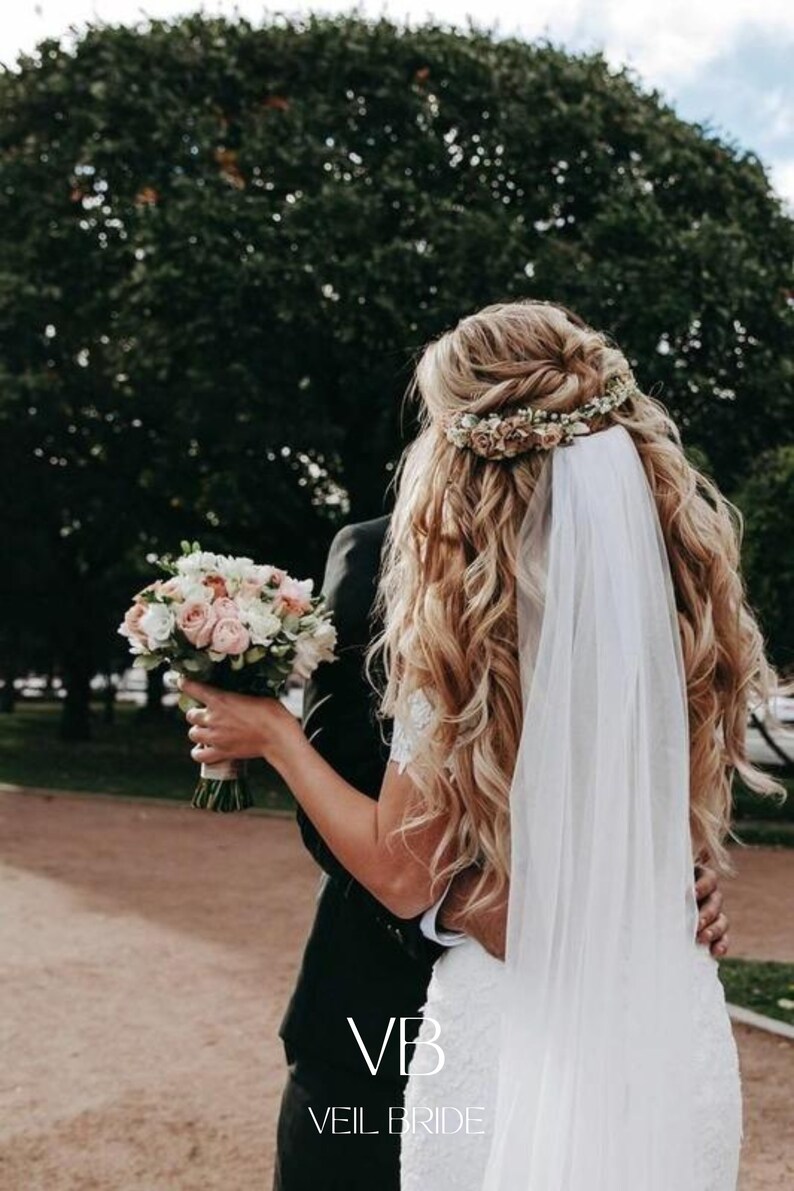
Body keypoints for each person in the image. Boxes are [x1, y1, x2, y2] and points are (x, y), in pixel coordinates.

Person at [182, 300, 780, 1190]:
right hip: (630, 1022)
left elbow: (398, 860)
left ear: (457, 433)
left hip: (492, 1023)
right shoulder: (675, 587)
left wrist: (268, 729)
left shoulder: (452, 597)